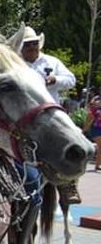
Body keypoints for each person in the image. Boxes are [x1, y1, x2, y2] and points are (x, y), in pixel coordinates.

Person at [11, 26, 81, 204]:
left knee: (75, 140)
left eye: (34, 43)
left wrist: (55, 80)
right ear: (21, 47)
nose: (32, 47)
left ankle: (68, 184)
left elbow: (71, 79)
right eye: (27, 44)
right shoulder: (15, 65)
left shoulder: (52, 61)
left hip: (51, 114)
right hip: (25, 116)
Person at [85, 94, 101, 172]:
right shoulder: (94, 107)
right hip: (96, 128)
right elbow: (89, 118)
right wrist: (84, 129)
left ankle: (98, 165)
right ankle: (97, 165)